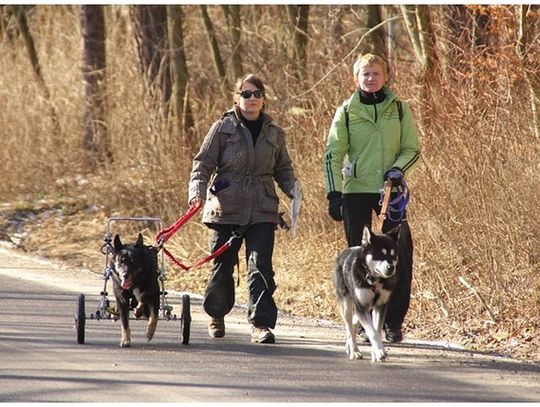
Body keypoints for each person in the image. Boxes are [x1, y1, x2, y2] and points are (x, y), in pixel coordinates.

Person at [188, 74, 298, 344]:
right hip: (226, 207)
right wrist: (196, 194)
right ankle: (216, 314)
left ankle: (260, 324)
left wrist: (294, 189)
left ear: (263, 99)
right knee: (222, 265)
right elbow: (202, 166)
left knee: (260, 266)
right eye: (245, 94)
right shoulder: (222, 128)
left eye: (256, 94)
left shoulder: (274, 132)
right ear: (236, 98)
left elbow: (282, 168)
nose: (251, 99)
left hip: (262, 207)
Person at [322, 53, 421, 342]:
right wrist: (334, 193)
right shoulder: (346, 111)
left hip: (390, 192)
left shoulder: (400, 109)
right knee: (361, 261)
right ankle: (366, 324)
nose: (370, 78)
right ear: (356, 78)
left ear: (385, 76)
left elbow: (412, 148)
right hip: (355, 192)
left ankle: (392, 323)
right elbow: (333, 153)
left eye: (376, 73)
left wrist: (397, 170)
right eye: (365, 74)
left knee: (399, 254)